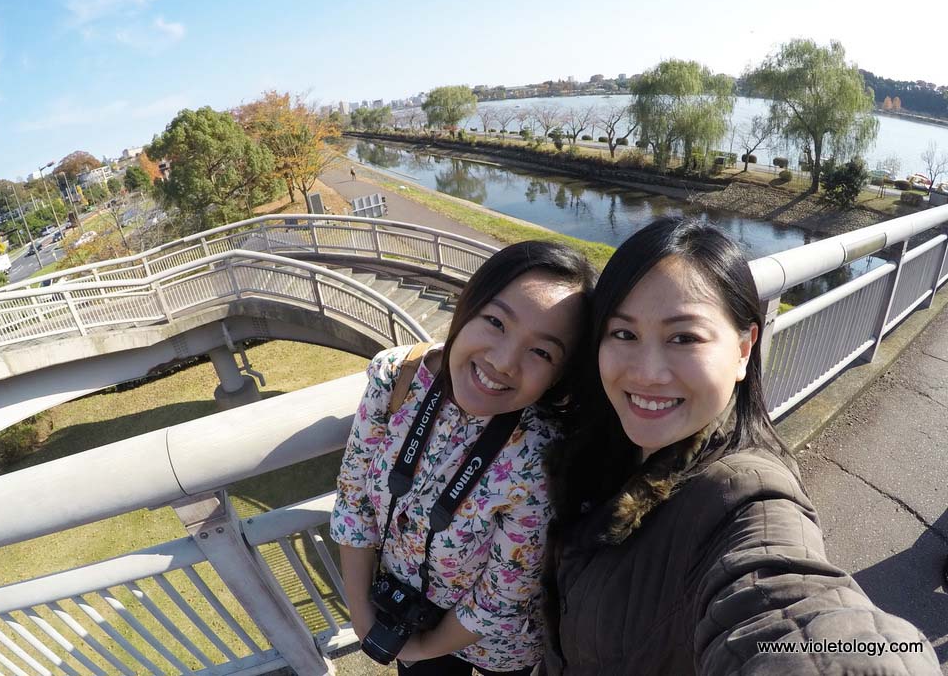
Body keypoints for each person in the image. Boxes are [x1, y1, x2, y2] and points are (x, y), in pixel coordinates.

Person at [540, 217, 939, 675]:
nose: (647, 373)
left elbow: (789, 613)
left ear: (745, 349)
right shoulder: (604, 441)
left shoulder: (745, 494)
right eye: (624, 334)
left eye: (684, 338)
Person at [332, 240, 595, 675]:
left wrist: (421, 650)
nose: (503, 362)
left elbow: (502, 594)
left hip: (498, 644)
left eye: (542, 352)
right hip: (403, 614)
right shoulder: (396, 378)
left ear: (558, 377)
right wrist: (365, 621)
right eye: (496, 322)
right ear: (467, 305)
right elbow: (353, 501)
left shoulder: (541, 453)